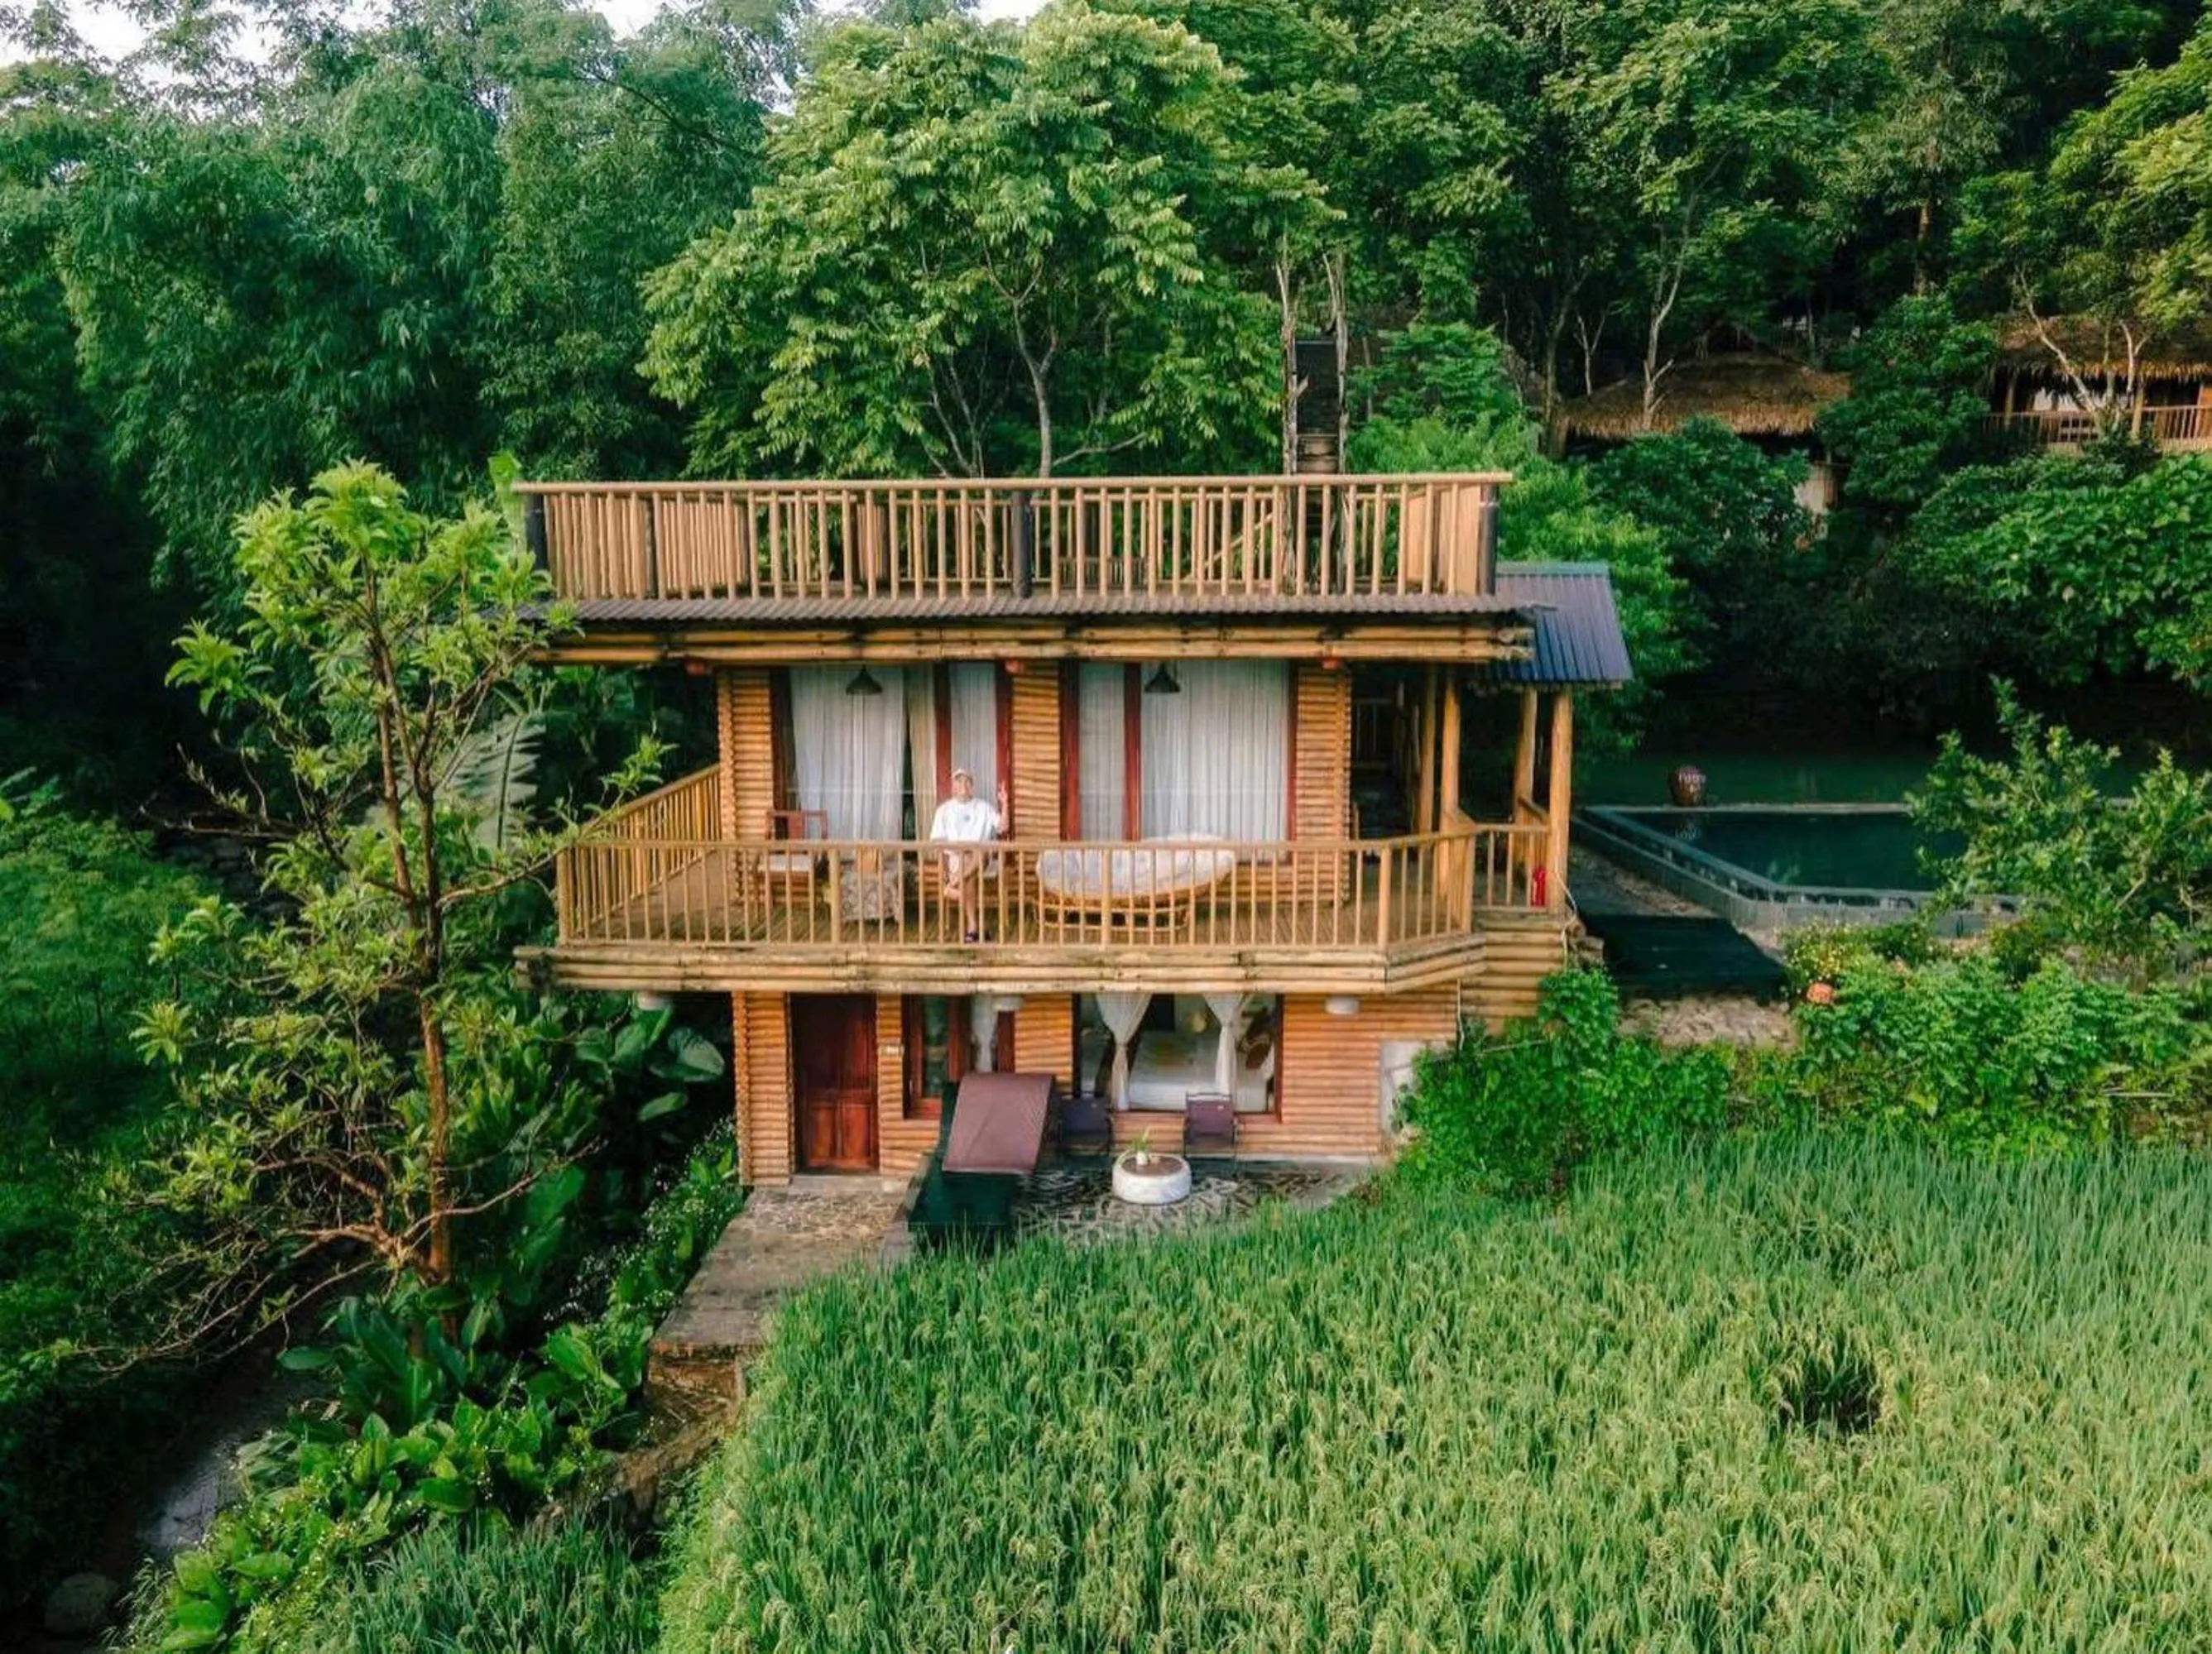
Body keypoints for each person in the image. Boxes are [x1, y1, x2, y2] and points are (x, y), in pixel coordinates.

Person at [929, 768, 1007, 941]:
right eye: (958, 781)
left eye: (966, 782)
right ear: (953, 787)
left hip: (980, 855)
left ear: (972, 786)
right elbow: (937, 842)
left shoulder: (983, 806)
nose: (962, 785)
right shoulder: (944, 810)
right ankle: (973, 929)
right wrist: (943, 867)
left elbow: (1002, 827)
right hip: (957, 858)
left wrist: (1005, 804)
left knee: (979, 852)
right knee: (969, 875)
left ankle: (953, 885)